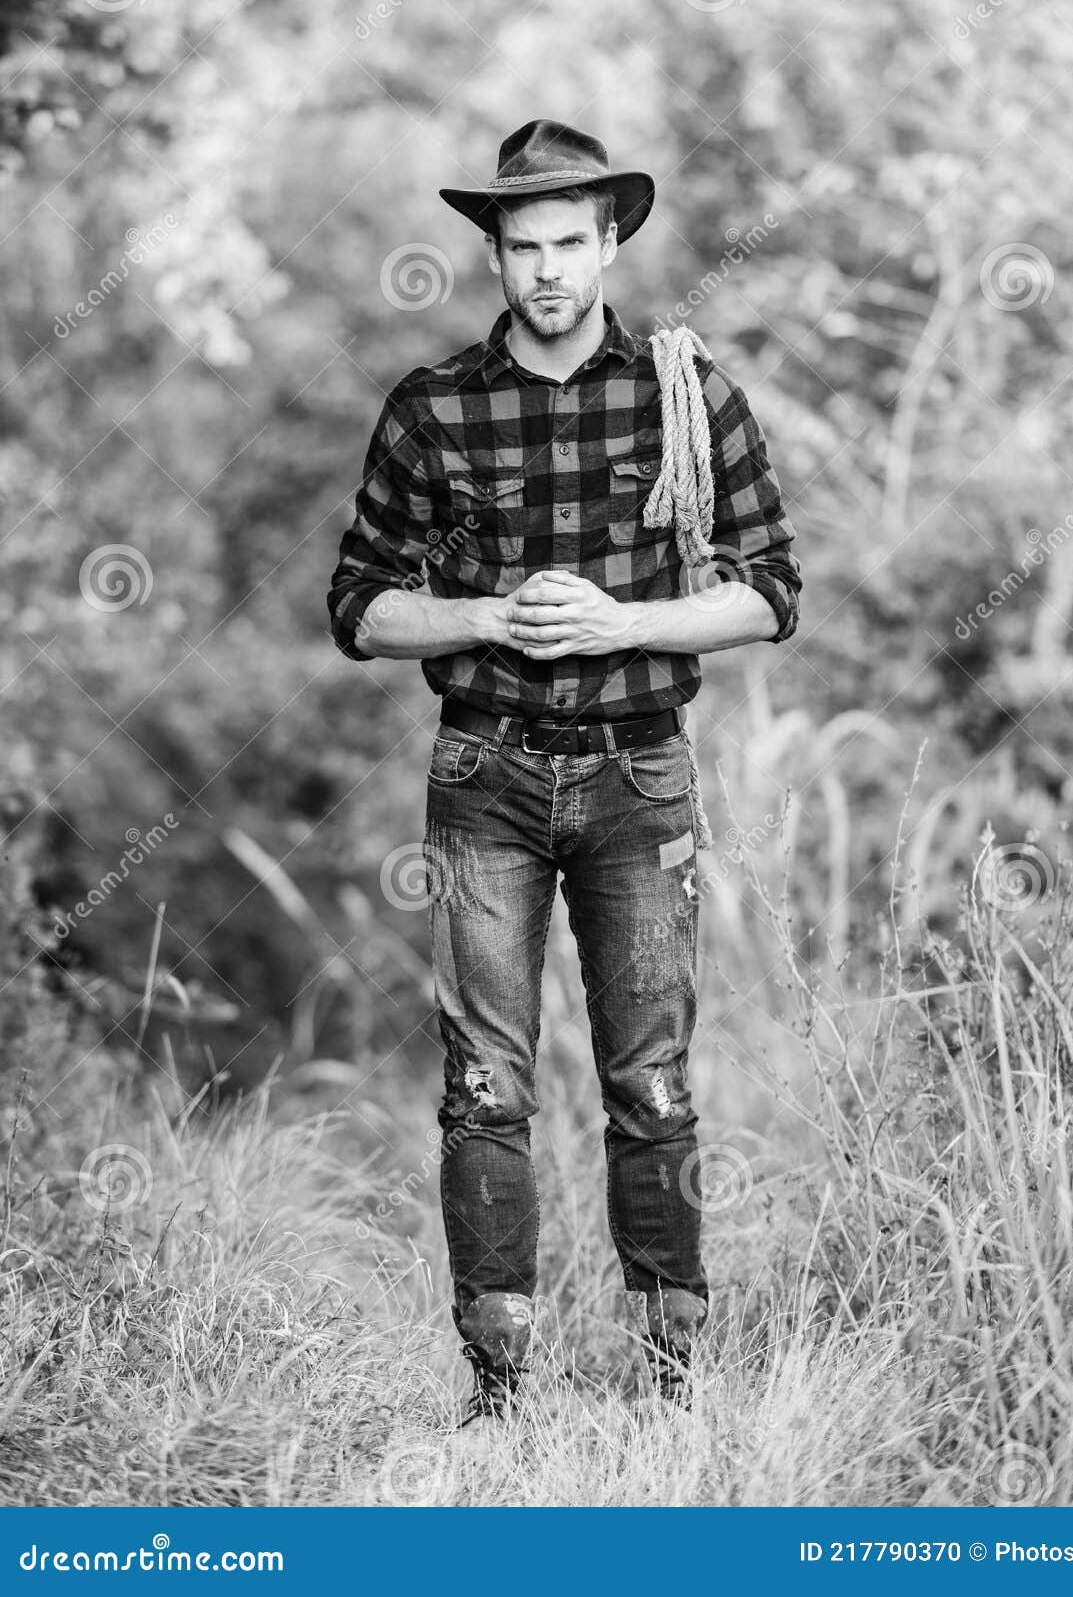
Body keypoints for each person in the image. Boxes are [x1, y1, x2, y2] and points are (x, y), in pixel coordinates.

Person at [327, 118, 802, 1426]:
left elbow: (767, 593)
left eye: (567, 245)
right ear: (494, 251)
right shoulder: (432, 406)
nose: (546, 271)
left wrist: (623, 623)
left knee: (647, 1074)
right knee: (484, 1079)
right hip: (483, 770)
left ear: (609, 243)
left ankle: (668, 1377)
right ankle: (499, 1385)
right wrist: (481, 614)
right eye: (521, 246)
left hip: (637, 772)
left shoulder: (683, 392)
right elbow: (360, 606)